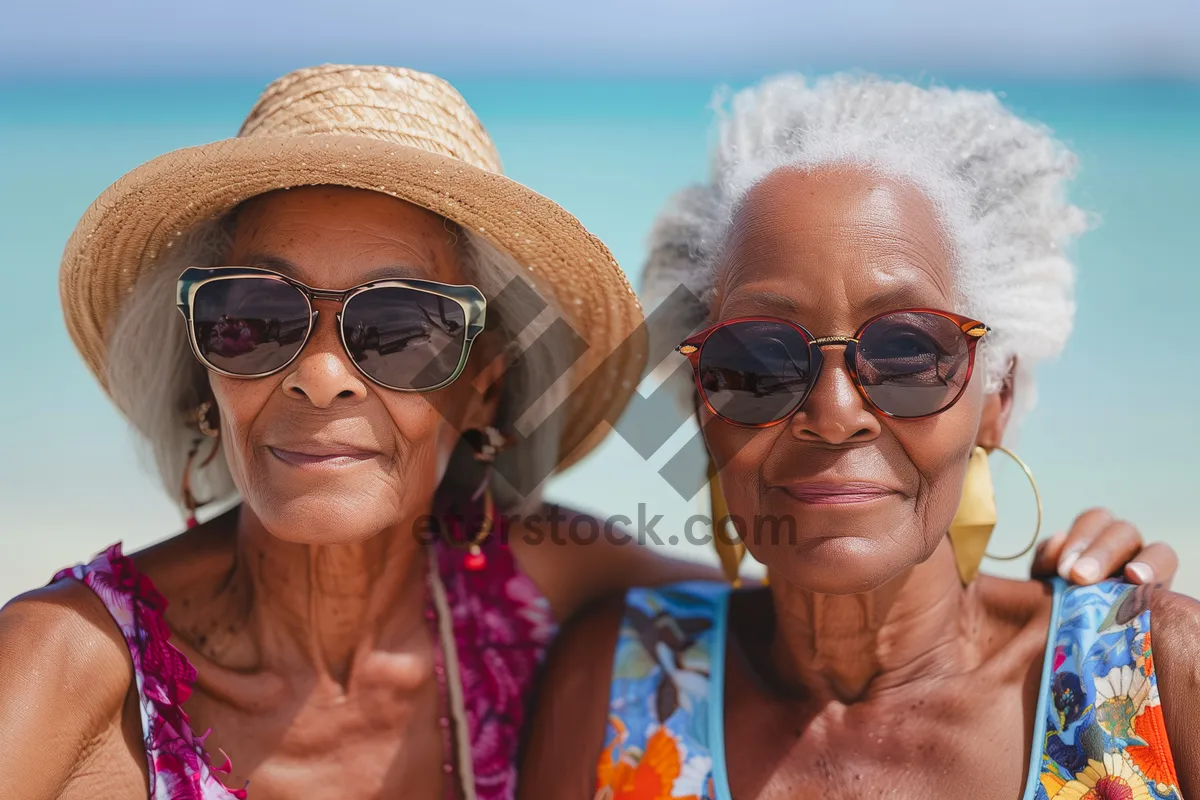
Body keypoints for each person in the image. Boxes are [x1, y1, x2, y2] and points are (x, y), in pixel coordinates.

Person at [0, 65, 1175, 800]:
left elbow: (832, 575)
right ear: (208, 362)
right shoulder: (71, 667)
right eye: (255, 319)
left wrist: (1100, 611)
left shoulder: (546, 584)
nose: (319, 376)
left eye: (399, 329)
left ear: (484, 384)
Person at [519, 75, 1198, 799]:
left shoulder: (1157, 677)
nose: (836, 411)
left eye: (909, 351)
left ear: (995, 397)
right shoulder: (617, 686)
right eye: (758, 362)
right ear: (701, 404)